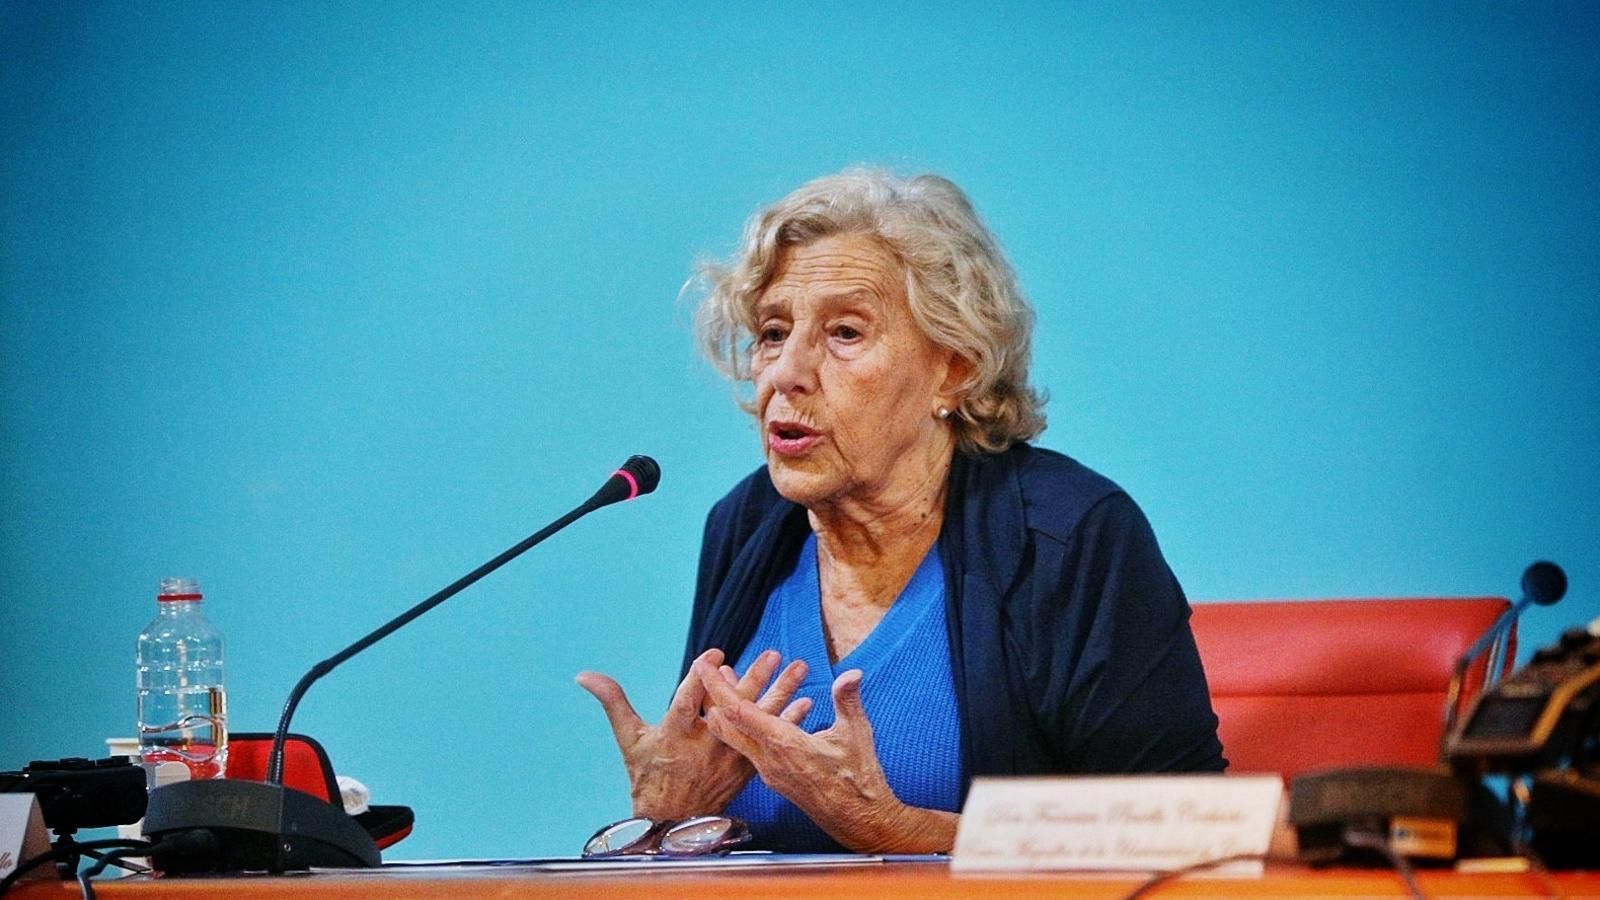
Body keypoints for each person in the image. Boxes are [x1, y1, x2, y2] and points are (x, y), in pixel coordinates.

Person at [577, 168, 1224, 854]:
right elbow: (721, 847)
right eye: (772, 332)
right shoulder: (746, 527)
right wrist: (672, 818)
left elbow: (1194, 844)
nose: (785, 372)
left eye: (845, 333)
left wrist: (895, 831)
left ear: (954, 367)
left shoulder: (1070, 535)